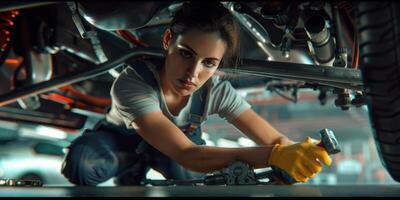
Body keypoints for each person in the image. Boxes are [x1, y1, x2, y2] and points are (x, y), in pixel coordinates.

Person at [61, 2, 331, 186]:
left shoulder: (217, 91)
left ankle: (151, 166)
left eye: (209, 63)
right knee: (81, 163)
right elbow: (188, 152)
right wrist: (273, 155)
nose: (193, 73)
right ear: (168, 41)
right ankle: (133, 165)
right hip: (122, 141)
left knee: (190, 176)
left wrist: (297, 156)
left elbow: (275, 140)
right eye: (186, 54)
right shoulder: (132, 83)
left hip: (179, 150)